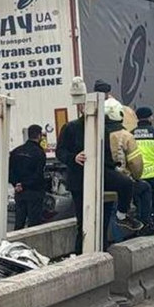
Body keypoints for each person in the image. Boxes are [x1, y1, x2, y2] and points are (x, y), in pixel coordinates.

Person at [104, 99, 154, 236]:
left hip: (100, 182)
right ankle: (145, 224)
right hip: (122, 182)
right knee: (144, 188)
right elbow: (136, 164)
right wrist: (136, 177)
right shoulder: (125, 136)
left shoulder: (97, 134)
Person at [56, 109, 87, 254]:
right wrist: (74, 158)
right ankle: (81, 250)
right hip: (79, 181)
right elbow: (60, 152)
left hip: (103, 179)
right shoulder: (71, 128)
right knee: (82, 220)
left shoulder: (105, 126)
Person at [9, 124, 47, 231]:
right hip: (34, 192)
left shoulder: (16, 151)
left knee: (19, 221)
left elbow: (10, 171)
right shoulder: (39, 153)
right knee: (34, 223)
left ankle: (17, 243)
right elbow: (38, 174)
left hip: (19, 192)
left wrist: (16, 184)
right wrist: (25, 185)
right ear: (39, 136)